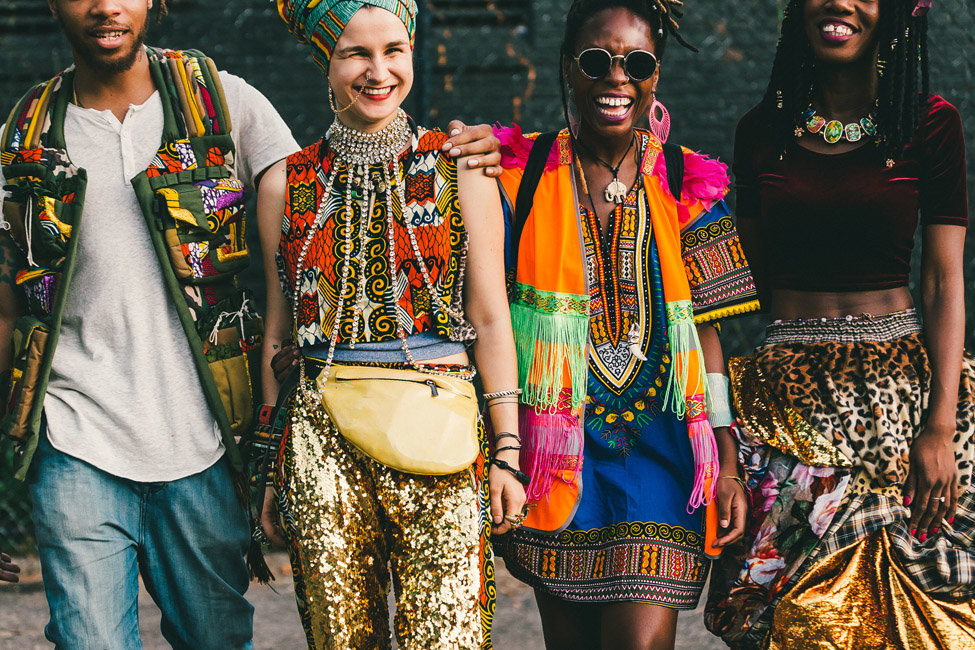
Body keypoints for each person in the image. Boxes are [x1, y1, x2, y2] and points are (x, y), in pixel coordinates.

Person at [0, 0, 499, 646]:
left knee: (214, 638)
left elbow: (323, 202)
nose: (104, 5)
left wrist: (479, 150)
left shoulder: (222, 103)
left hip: (205, 440)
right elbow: (6, 311)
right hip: (74, 442)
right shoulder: (25, 138)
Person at [704, 1, 975, 648]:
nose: (837, 3)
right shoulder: (759, 131)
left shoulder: (929, 125)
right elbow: (738, 286)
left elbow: (941, 280)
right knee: (784, 621)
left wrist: (938, 424)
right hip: (784, 406)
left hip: (902, 403)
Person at [256, 1, 526, 648]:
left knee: (450, 635)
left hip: (443, 426)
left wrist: (507, 452)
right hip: (322, 439)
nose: (377, 71)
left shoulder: (459, 165)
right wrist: (269, 467)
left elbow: (489, 316)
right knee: (339, 637)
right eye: (355, 53)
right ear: (327, 62)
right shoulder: (285, 183)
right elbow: (277, 332)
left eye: (394, 51)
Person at [493, 1, 759, 647]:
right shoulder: (515, 177)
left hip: (662, 460)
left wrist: (725, 460)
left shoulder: (687, 181)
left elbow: (708, 332)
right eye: (594, 61)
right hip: (557, 463)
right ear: (566, 70)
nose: (616, 78)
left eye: (635, 63)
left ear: (655, 77)